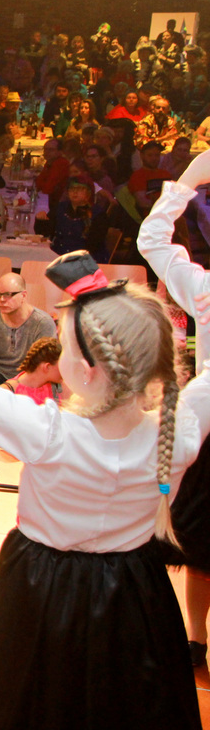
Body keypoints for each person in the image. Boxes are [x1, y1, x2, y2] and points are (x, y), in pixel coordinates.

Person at [0, 234, 204, 730]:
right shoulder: (179, 433)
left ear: (86, 370)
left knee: (29, 705)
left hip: (39, 588)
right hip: (136, 592)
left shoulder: (46, 431)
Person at [137, 147, 210, 672]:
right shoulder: (204, 288)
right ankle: (196, 640)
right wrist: (187, 180)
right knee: (198, 545)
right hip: (207, 430)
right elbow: (152, 241)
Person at [0, 273, 57, 384]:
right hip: (0, 377)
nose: (2, 299)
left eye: (8, 294)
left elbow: (42, 366)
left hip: (31, 379)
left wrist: (15, 385)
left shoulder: (42, 322)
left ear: (23, 295)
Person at [0, 336, 63, 405]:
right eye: (61, 365)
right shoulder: (7, 391)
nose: (64, 371)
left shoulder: (56, 387)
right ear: (47, 367)